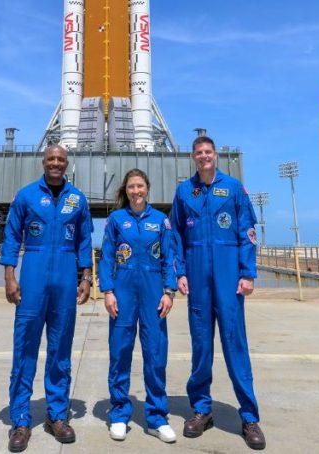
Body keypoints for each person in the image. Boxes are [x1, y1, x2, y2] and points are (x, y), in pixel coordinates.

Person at [170, 135, 266, 450]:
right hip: (197, 278)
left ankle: (249, 417)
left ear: (215, 155)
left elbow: (247, 231)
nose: (204, 156)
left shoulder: (234, 188)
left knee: (235, 345)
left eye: (208, 152)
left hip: (228, 277)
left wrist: (247, 273)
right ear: (193, 157)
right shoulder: (185, 191)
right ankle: (201, 410)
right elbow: (176, 238)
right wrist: (180, 273)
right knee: (201, 346)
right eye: (198, 153)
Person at [1, 145, 94, 452]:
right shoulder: (26, 196)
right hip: (34, 275)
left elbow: (84, 240)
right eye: (51, 159)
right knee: (25, 348)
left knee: (60, 350)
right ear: (43, 162)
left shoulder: (76, 199)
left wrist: (86, 277)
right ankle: (21, 420)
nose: (56, 163)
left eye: (61, 160)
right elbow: (12, 236)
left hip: (65, 278)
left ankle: (56, 415)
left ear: (67, 164)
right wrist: (9, 275)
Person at [99, 169, 186, 444]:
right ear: (125, 190)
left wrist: (169, 292)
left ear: (147, 188)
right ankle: (119, 414)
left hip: (152, 292)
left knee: (155, 354)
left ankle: (157, 418)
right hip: (123, 292)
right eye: (131, 187)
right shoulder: (116, 220)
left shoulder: (161, 221)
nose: (136, 191)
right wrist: (108, 291)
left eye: (140, 186)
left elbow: (170, 257)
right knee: (120, 353)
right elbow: (107, 256)